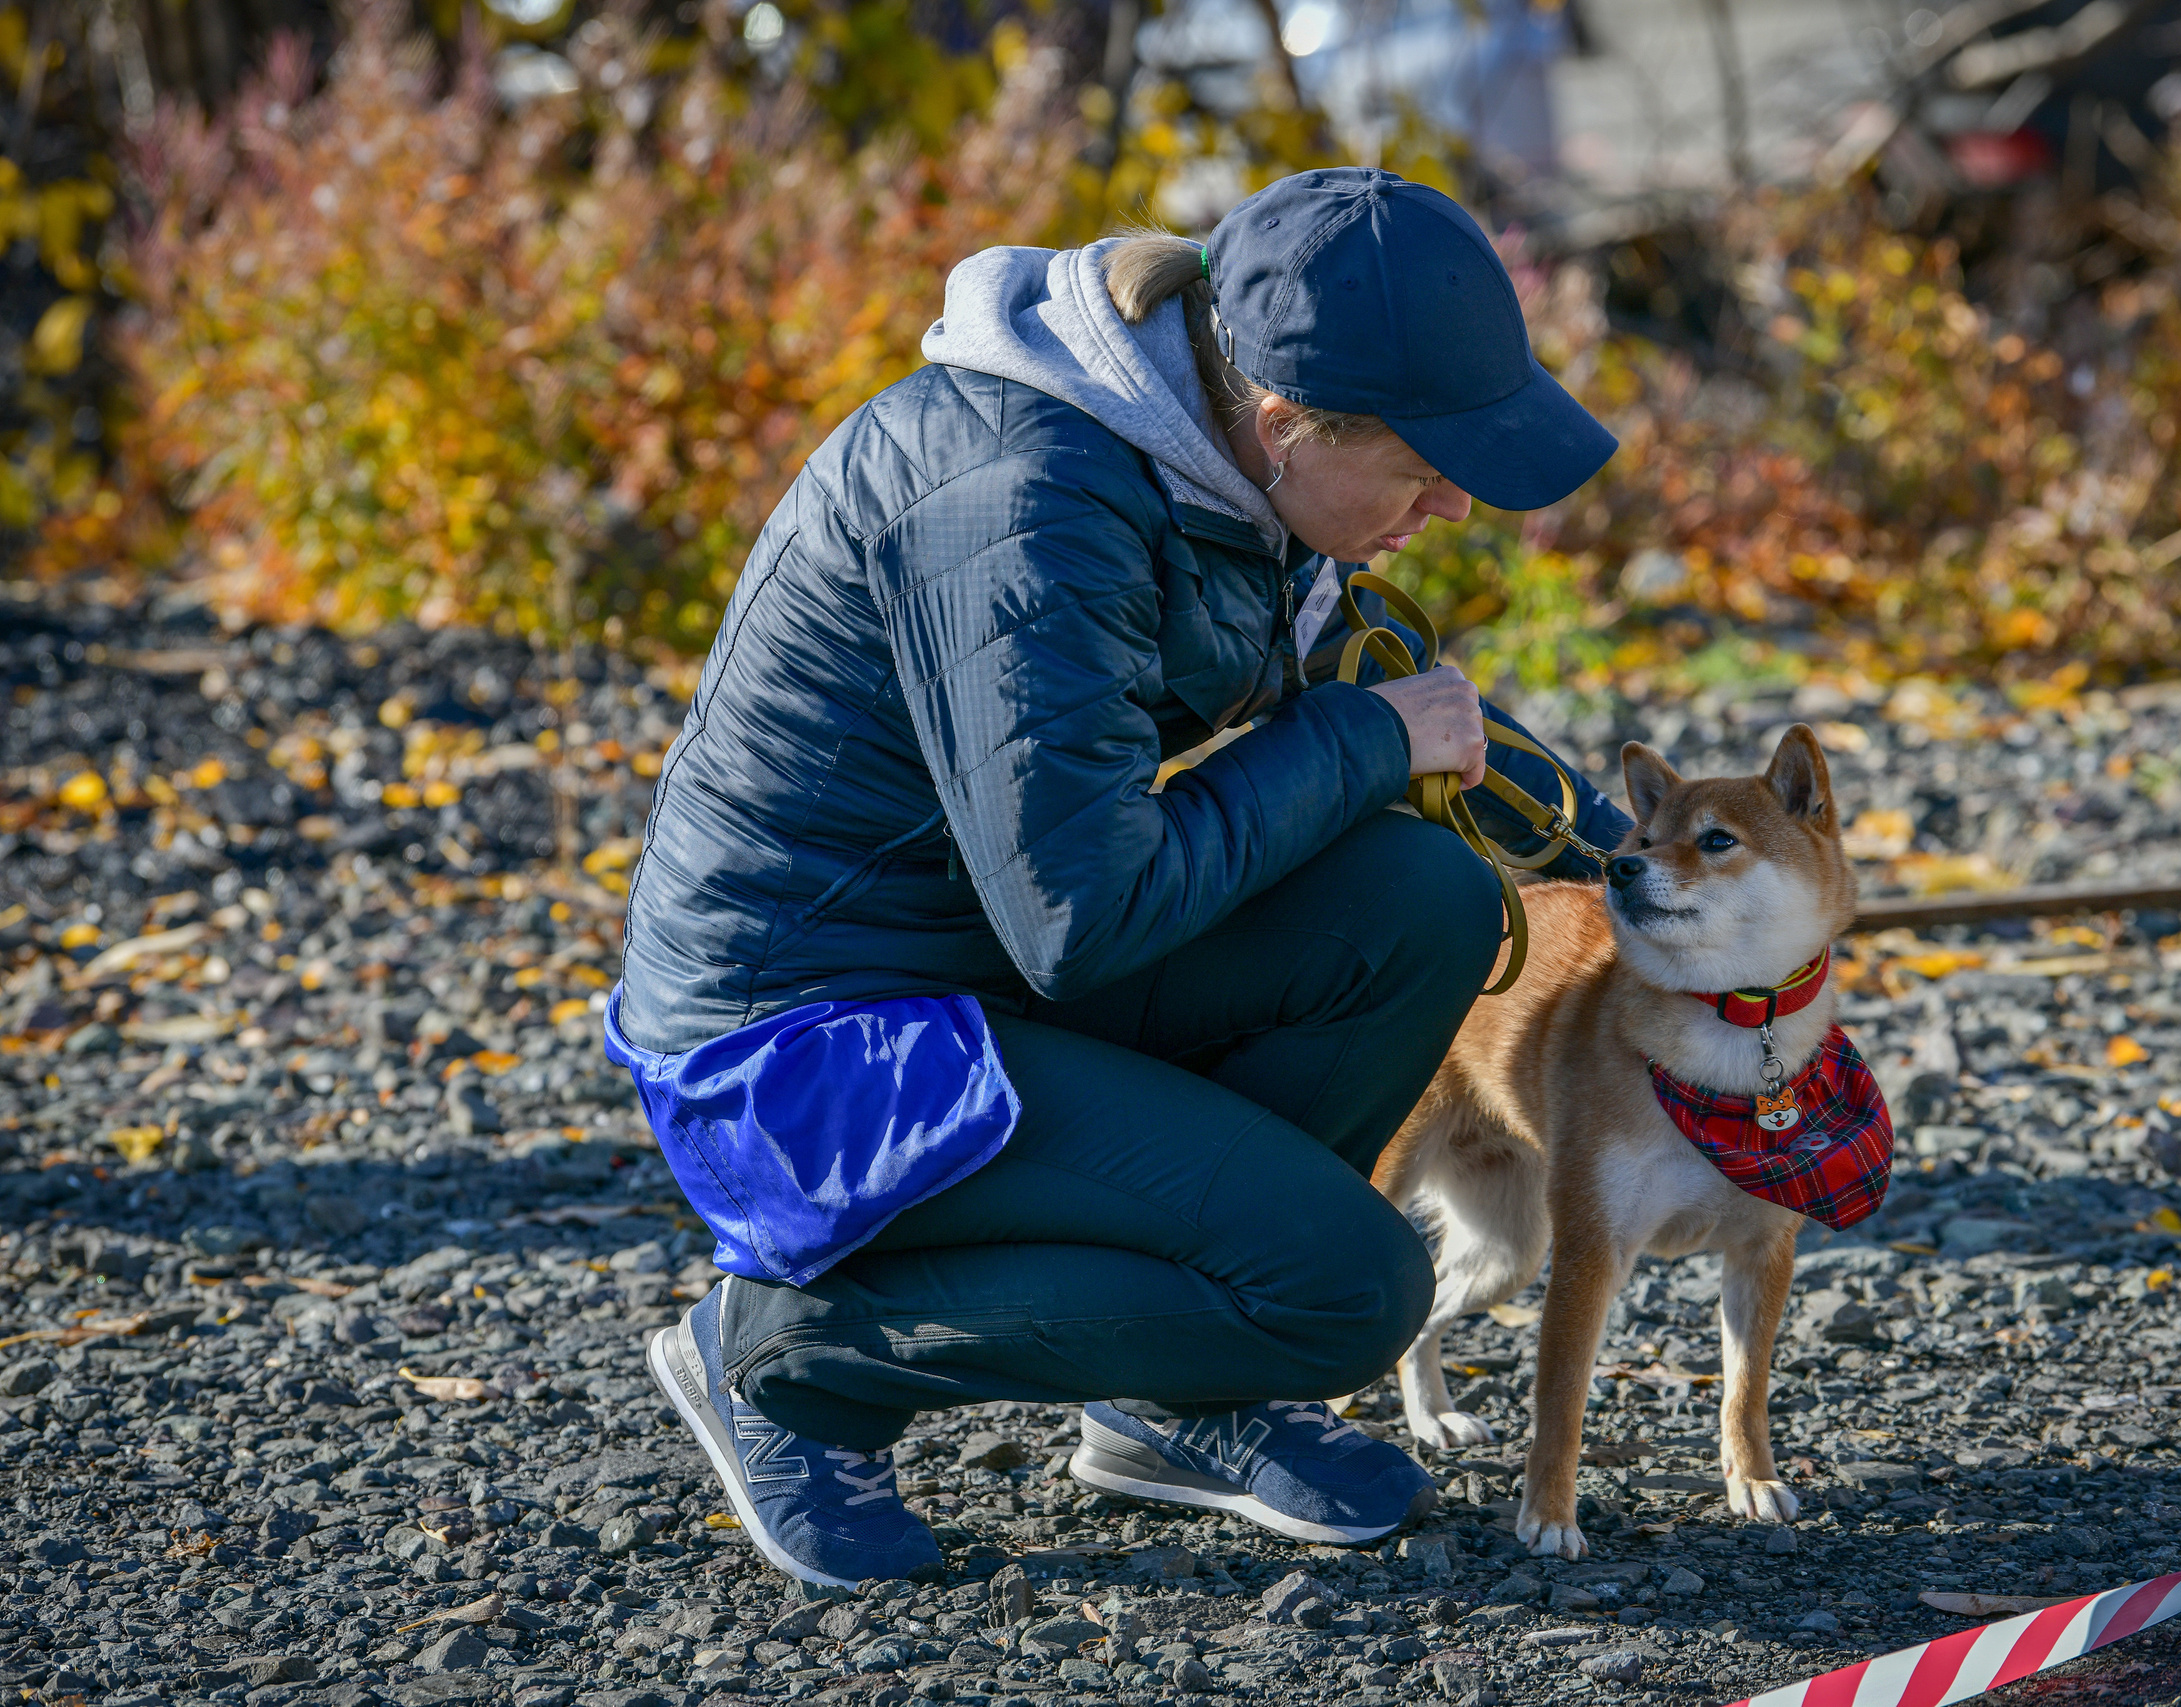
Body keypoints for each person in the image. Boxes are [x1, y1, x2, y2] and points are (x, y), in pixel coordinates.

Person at [603, 166, 1635, 1588]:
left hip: (976, 963)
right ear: (1282, 422)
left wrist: (1658, 885)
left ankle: (1174, 1398)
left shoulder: (1224, 458)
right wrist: (1357, 743)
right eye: (1420, 468)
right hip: (808, 1044)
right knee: (1353, 1292)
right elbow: (1085, 917)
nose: (1452, 504)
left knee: (1425, 904)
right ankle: (787, 1358)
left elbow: (1403, 709)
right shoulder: (1020, 502)